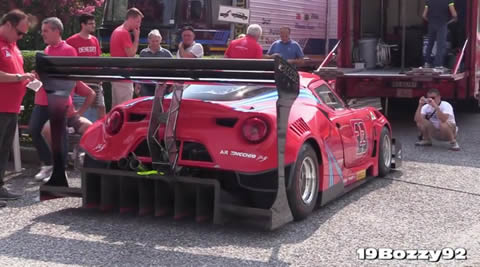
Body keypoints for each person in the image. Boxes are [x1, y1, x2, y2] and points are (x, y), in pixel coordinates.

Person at [30, 17, 93, 182]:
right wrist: (35, 77)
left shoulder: (69, 50)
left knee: (59, 135)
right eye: (42, 30)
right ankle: (49, 164)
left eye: (45, 31)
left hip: (59, 100)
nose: (42, 34)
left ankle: (59, 171)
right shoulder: (47, 50)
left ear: (56, 31)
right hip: (43, 98)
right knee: (34, 130)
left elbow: (70, 78)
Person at [0, 9, 35, 206]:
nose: (21, 37)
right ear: (8, 25)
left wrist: (26, 77)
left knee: (4, 151)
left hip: (11, 108)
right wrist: (18, 77)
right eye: (20, 32)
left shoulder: (13, 45)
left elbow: (16, 73)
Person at [66, 13, 105, 121]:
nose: (93, 25)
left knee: (100, 111)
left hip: (96, 82)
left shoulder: (95, 40)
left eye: (94, 23)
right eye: (90, 23)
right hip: (81, 83)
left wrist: (101, 75)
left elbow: (98, 59)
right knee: (82, 114)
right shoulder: (71, 41)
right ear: (82, 25)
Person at [110, 8, 144, 107]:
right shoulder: (123, 32)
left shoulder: (117, 30)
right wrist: (137, 38)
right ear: (130, 19)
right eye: (137, 21)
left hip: (116, 74)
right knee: (124, 107)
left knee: (115, 106)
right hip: (123, 75)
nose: (139, 25)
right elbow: (131, 54)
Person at [136, 29, 173, 97]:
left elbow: (173, 71)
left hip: (162, 85)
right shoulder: (143, 53)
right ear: (148, 40)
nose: (155, 43)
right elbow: (139, 70)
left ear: (160, 41)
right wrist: (138, 83)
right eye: (153, 41)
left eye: (157, 41)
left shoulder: (167, 54)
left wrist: (172, 85)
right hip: (146, 84)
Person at [422, 0, 458, 68]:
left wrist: (430, 21)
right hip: (442, 24)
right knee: (440, 45)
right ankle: (438, 65)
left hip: (431, 24)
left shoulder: (429, 1)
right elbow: (454, 14)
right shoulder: (449, 1)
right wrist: (453, 20)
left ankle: (426, 63)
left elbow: (424, 15)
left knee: (430, 43)